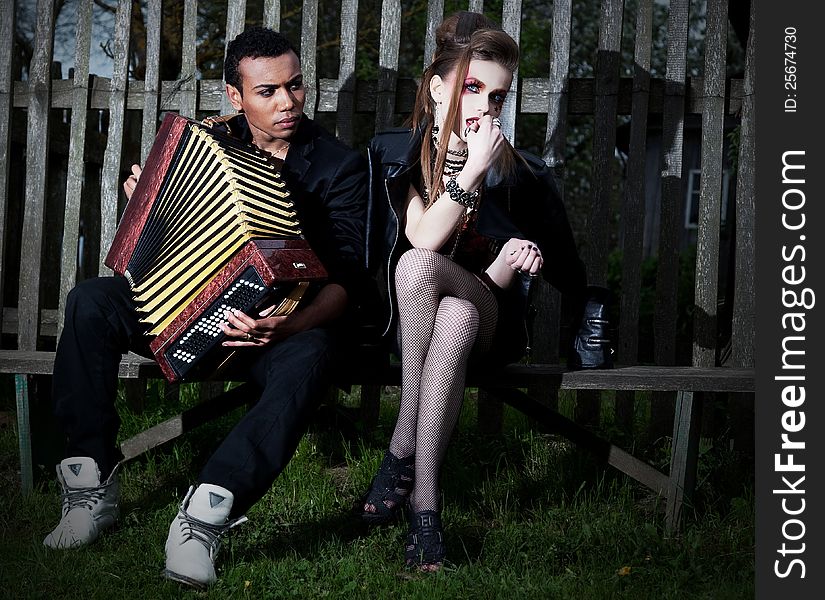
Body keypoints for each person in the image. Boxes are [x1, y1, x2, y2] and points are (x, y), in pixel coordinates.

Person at [43, 26, 368, 590]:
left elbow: (346, 285)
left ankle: (205, 516)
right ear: (234, 96)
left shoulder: (339, 167)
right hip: (183, 314)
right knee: (91, 300)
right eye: (268, 91)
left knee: (315, 351)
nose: (287, 102)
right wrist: (148, 199)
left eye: (295, 86)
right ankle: (90, 486)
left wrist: (285, 325)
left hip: (274, 330)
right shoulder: (206, 142)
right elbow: (158, 242)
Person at [359, 11, 611, 570]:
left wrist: (513, 260)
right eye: (472, 88)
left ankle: (403, 442)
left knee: (429, 280)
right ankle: (426, 513)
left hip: (496, 323)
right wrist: (467, 173)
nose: (484, 108)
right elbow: (422, 234)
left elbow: (558, 273)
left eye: (497, 98)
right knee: (447, 312)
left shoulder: (522, 174)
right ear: (436, 86)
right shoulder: (400, 153)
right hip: (433, 328)